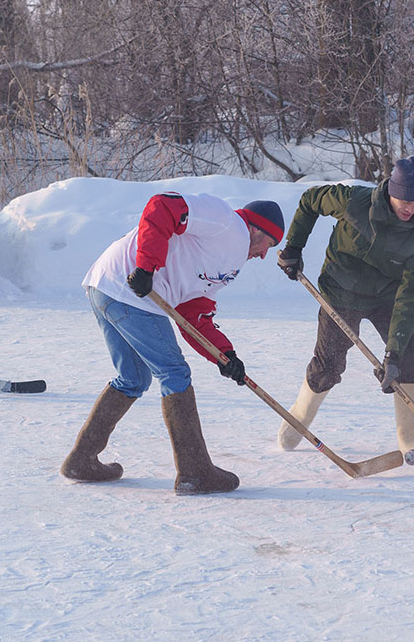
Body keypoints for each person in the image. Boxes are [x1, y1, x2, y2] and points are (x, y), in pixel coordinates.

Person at [62, 193, 284, 495]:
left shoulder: (231, 262)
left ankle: (82, 459)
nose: (263, 255)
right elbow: (164, 205)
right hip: (129, 287)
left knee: (133, 378)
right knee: (174, 373)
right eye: (268, 245)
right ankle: (195, 471)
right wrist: (146, 267)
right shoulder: (225, 220)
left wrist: (224, 355)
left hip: (107, 287)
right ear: (257, 229)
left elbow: (193, 313)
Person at [274, 156, 414, 460]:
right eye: (403, 199)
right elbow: (311, 201)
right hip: (341, 290)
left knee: (409, 360)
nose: (410, 207)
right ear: (391, 189)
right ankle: (299, 416)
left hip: (387, 297)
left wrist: (392, 354)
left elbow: (410, 295)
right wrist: (293, 247)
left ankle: (412, 437)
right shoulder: (354, 201)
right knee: (329, 365)